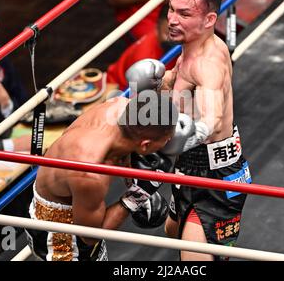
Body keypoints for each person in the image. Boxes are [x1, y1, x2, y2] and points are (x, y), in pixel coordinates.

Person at [126, 0, 251, 261]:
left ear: (209, 20)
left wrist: (188, 132)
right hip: (189, 169)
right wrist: (159, 83)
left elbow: (212, 117)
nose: (172, 19)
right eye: (171, 9)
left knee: (193, 257)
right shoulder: (192, 48)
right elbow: (181, 87)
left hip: (215, 178)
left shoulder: (207, 64)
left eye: (183, 14)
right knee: (174, 231)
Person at [24, 90, 179, 261]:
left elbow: (121, 146)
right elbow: (90, 237)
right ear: (145, 145)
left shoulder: (119, 106)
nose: (169, 142)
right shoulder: (89, 173)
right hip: (62, 239)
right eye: (166, 139)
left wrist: (131, 176)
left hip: (72, 203)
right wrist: (135, 197)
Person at [106, 4, 177, 90]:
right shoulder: (145, 58)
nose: (172, 38)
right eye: (167, 33)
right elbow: (142, 96)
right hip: (120, 88)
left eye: (176, 33)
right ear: (157, 27)